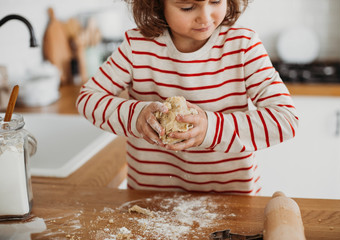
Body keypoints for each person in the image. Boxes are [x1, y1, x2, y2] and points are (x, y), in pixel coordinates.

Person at [76, 0, 299, 195]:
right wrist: (135, 117)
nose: (205, 17)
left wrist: (211, 129)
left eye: (215, 1)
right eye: (187, 7)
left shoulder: (243, 46)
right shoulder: (137, 47)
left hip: (231, 199)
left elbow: (286, 119)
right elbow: (88, 98)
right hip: (150, 199)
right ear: (157, 3)